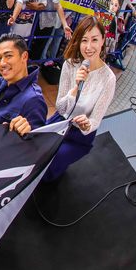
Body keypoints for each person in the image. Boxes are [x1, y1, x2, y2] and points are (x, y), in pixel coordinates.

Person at [38, 16, 116, 182]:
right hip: (60, 123)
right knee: (38, 154)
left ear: (103, 40)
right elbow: (61, 107)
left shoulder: (108, 78)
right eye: (84, 40)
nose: (89, 47)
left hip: (79, 135)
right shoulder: (70, 65)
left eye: (94, 40)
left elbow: (96, 119)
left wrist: (87, 124)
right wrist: (75, 86)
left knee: (53, 164)